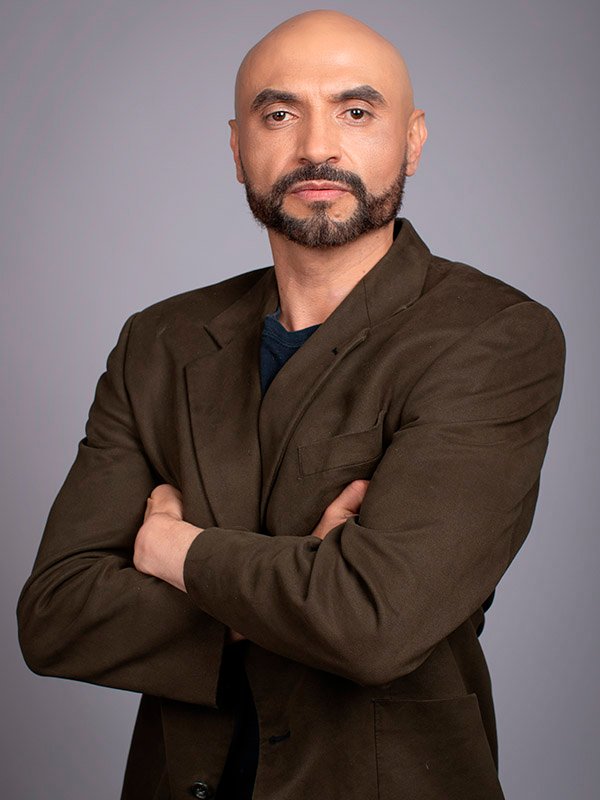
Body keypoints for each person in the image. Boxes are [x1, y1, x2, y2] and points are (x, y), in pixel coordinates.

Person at [17, 9, 565, 800]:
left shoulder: (494, 337)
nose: (316, 147)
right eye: (279, 115)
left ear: (411, 141)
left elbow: (373, 622)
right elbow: (57, 615)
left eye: (356, 111)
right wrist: (308, 581)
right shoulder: (161, 341)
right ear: (237, 147)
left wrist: (174, 551)